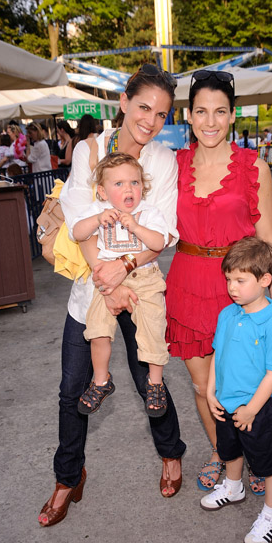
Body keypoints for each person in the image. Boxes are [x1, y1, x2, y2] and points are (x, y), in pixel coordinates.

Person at [38, 64, 186, 528]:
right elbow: (81, 217)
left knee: (150, 382)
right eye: (144, 107)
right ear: (123, 102)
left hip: (138, 284)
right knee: (71, 390)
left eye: (161, 114)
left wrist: (122, 272)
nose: (150, 120)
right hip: (91, 288)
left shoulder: (162, 160)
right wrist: (107, 284)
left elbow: (164, 231)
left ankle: (171, 454)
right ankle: (67, 478)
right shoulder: (88, 149)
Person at [165, 69, 272, 495]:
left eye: (220, 111)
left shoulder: (252, 166)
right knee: (205, 387)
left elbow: (269, 238)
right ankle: (224, 454)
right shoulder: (174, 165)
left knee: (247, 385)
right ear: (189, 115)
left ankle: (254, 456)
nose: (211, 121)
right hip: (187, 284)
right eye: (201, 111)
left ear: (233, 115)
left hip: (239, 292)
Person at [200, 236, 272, 543]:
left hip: (257, 408)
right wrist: (211, 392)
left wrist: (252, 408)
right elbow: (217, 356)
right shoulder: (228, 314)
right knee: (230, 450)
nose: (232, 287)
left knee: (266, 463)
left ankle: (271, 515)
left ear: (265, 280)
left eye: (240, 280)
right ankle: (234, 487)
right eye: (228, 280)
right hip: (224, 401)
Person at [72, 152, 170, 417]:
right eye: (119, 184)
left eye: (134, 183)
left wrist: (136, 226)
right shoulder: (98, 211)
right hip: (108, 283)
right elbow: (77, 233)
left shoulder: (148, 212)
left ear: (143, 187)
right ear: (102, 192)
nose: (129, 189)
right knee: (97, 329)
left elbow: (159, 243)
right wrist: (96, 219)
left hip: (146, 279)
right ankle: (101, 381)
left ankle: (155, 383)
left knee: (153, 328)